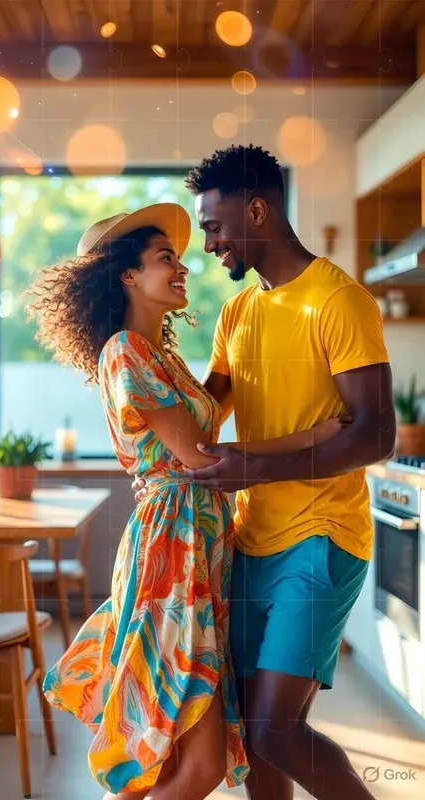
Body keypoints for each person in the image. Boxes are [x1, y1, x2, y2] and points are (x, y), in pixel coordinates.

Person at [25, 203, 344, 800]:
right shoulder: (125, 351)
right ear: (128, 275)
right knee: (191, 757)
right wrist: (316, 436)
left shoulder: (164, 358)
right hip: (170, 556)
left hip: (196, 550)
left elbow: (207, 427)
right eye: (165, 258)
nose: (182, 268)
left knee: (176, 754)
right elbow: (199, 460)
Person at [133, 145, 397, 800]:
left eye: (216, 227)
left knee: (276, 728)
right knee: (253, 736)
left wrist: (259, 467)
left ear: (257, 210)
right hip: (250, 543)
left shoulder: (340, 300)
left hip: (323, 536)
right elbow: (203, 418)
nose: (210, 246)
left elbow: (377, 433)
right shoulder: (238, 312)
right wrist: (141, 390)